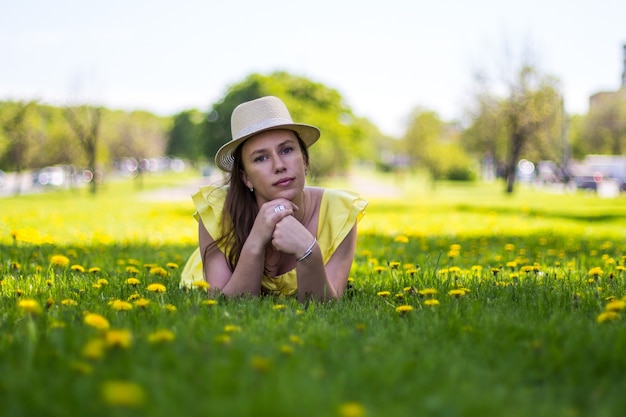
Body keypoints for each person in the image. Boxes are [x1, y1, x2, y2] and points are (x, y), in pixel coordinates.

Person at [180, 96, 367, 301]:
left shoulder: (339, 213)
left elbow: (326, 306)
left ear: (304, 160)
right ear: (246, 177)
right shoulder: (216, 210)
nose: (279, 165)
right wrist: (256, 239)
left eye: (286, 150)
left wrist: (308, 251)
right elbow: (224, 304)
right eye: (261, 158)